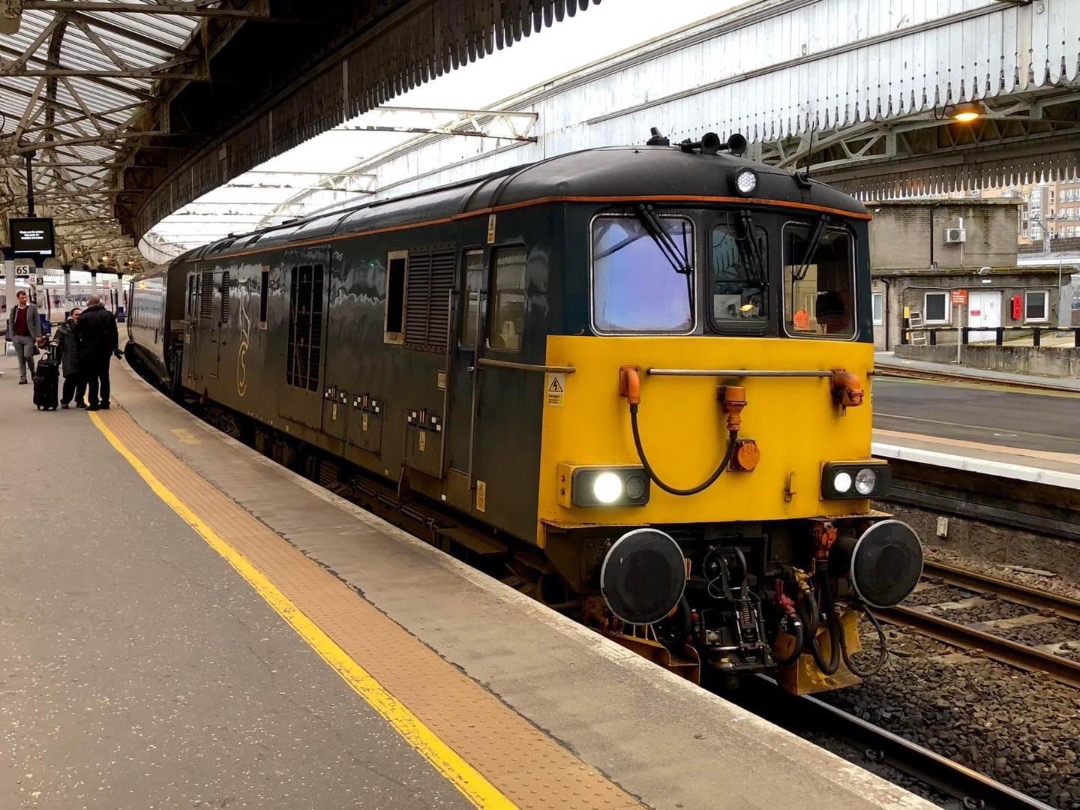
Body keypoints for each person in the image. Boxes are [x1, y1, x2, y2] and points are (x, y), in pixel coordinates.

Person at [75, 295, 121, 411]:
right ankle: (105, 401)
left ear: (89, 303)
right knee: (104, 376)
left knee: (92, 378)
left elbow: (76, 333)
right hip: (105, 351)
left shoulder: (84, 316)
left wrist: (80, 348)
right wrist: (114, 347)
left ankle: (94, 403)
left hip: (89, 351)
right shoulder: (108, 315)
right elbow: (114, 333)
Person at [52, 308, 86, 409]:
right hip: (69, 357)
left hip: (83, 357)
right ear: (72, 315)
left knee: (82, 380)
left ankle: (80, 400)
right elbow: (57, 339)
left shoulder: (85, 327)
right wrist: (56, 342)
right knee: (70, 379)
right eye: (76, 314)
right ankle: (65, 400)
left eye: (80, 314)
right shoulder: (64, 328)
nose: (79, 316)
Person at [6, 290, 41, 385]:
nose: (24, 299)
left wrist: (38, 335)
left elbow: (37, 322)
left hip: (28, 337)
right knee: (20, 358)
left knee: (28, 355)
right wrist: (13, 336)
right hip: (17, 337)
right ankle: (23, 377)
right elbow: (11, 322)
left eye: (26, 297)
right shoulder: (14, 309)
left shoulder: (32, 308)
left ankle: (33, 373)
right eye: (22, 297)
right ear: (18, 298)